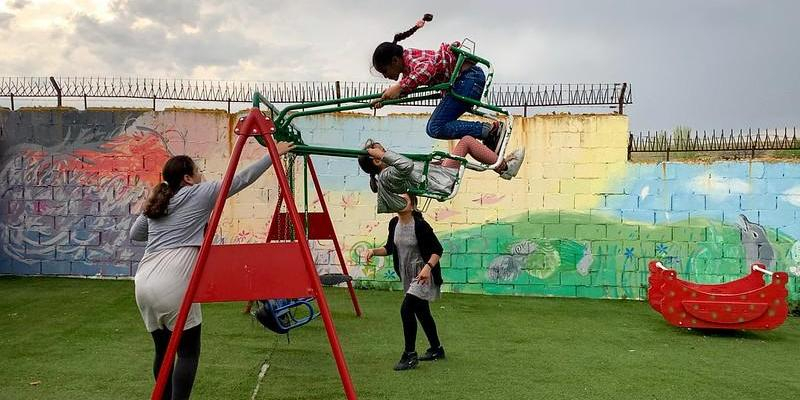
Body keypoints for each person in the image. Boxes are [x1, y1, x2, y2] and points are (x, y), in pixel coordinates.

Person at [129, 141, 295, 399]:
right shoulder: (201, 192)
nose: (201, 173)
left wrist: (157, 214)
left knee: (163, 351)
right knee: (187, 352)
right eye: (197, 170)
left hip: (144, 281)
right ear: (187, 178)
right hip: (174, 280)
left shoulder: (161, 199)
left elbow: (136, 234)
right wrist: (274, 153)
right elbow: (241, 179)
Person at [371, 14, 505, 151]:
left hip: (468, 79)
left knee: (435, 127)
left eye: (385, 71)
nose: (386, 76)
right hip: (466, 81)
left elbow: (427, 69)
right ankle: (489, 134)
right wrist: (385, 98)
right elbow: (406, 87)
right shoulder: (408, 71)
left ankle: (489, 131)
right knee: (435, 127)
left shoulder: (410, 59)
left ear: (394, 60)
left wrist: (399, 86)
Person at [365, 194, 445, 370]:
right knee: (422, 311)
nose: (400, 202)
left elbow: (437, 250)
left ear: (413, 205)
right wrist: (373, 251)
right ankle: (437, 349)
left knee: (406, 309)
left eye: (405, 200)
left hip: (424, 275)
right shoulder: (394, 223)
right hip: (408, 275)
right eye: (398, 199)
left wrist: (427, 268)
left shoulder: (421, 225)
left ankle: (410, 355)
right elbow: (389, 248)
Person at [357, 138, 525, 213]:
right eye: (383, 151)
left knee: (464, 146)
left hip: (438, 177)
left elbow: (412, 171)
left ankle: (496, 160)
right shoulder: (387, 175)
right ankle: (505, 167)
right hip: (441, 181)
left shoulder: (389, 173)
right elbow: (407, 166)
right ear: (377, 160)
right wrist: (381, 154)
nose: (387, 153)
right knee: (466, 141)